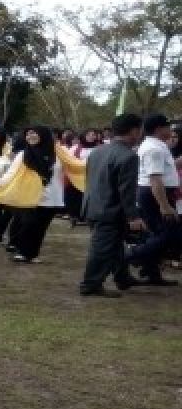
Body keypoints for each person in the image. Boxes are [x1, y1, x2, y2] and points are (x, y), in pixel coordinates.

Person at [79, 113, 146, 296]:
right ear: (134, 131)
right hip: (109, 209)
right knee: (103, 248)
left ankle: (122, 277)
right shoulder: (128, 156)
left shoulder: (98, 151)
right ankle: (91, 284)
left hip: (93, 204)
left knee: (115, 244)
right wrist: (133, 216)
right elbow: (126, 190)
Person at [0, 126, 63, 263]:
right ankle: (22, 252)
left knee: (41, 228)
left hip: (52, 197)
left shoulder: (59, 154)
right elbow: (11, 173)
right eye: (28, 134)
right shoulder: (23, 154)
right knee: (28, 224)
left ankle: (32, 254)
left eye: (34, 133)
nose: (30, 136)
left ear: (43, 135)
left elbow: (75, 167)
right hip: (30, 197)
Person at [126, 113, 180, 285]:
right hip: (155, 194)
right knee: (168, 234)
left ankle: (151, 272)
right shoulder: (154, 149)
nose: (170, 130)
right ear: (158, 129)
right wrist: (164, 205)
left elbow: (167, 169)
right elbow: (155, 178)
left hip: (157, 193)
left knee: (159, 234)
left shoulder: (158, 146)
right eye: (167, 126)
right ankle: (129, 256)